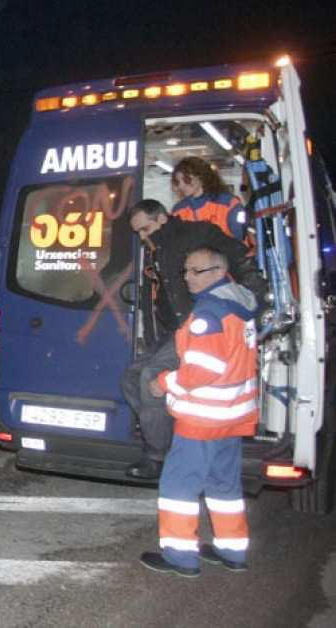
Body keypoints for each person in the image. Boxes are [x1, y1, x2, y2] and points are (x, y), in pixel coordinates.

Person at [122, 199, 265, 480]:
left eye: (145, 228)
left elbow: (237, 257)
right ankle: (167, 433)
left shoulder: (197, 233)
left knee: (151, 375)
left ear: (162, 218)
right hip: (176, 329)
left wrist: (256, 298)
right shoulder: (158, 246)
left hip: (200, 326)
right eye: (138, 232)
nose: (142, 236)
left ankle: (156, 456)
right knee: (132, 376)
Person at [139, 246, 258, 577]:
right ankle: (232, 551)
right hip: (233, 416)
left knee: (180, 485)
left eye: (196, 271)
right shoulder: (241, 303)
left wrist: (163, 382)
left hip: (203, 418)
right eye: (186, 271)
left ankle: (180, 556)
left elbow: (201, 370)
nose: (188, 277)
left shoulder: (208, 314)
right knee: (224, 486)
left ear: (219, 271)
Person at [171, 156, 250, 244]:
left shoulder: (228, 204)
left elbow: (241, 237)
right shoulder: (178, 211)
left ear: (201, 177)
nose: (181, 186)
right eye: (178, 182)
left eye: (187, 180)